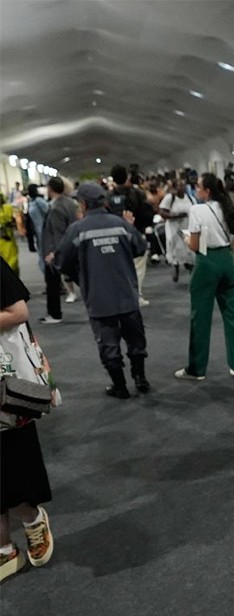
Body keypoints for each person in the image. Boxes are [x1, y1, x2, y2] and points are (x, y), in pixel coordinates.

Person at [56, 183, 150, 398]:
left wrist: (82, 275)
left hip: (98, 298)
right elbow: (140, 248)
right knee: (136, 340)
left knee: (108, 345)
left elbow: (62, 262)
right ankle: (140, 378)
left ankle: (120, 386)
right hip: (126, 293)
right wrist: (130, 227)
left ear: (83, 204)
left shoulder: (77, 230)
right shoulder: (120, 225)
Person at [0, 259, 55, 582]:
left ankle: (32, 519)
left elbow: (18, 312)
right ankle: (5, 549)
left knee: (13, 459)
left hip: (5, 390)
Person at [174, 173, 234, 381]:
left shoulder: (197, 209)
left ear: (206, 191)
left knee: (201, 316)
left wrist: (186, 237)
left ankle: (197, 369)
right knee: (233, 314)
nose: (196, 189)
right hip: (227, 259)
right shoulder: (226, 207)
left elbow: (195, 245)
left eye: (198, 187)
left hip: (206, 262)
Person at [108, 165, 154, 307]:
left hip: (114, 234)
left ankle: (120, 295)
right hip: (136, 232)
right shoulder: (136, 193)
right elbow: (148, 207)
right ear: (126, 177)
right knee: (138, 266)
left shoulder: (108, 196)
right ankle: (137, 295)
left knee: (119, 266)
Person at [39, 178, 77, 325]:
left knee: (52, 284)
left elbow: (57, 233)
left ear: (50, 189)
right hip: (71, 248)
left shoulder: (56, 208)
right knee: (80, 279)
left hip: (56, 252)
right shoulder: (69, 203)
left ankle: (54, 314)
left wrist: (53, 253)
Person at [158, 179, 196, 283]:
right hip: (173, 228)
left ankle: (192, 272)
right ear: (175, 187)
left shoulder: (190, 199)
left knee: (189, 250)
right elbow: (162, 212)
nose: (181, 188)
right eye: (179, 186)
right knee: (175, 249)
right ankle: (176, 269)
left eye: (183, 186)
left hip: (187, 227)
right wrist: (176, 216)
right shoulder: (170, 198)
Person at [25, 184, 49, 274]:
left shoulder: (39, 201)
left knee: (44, 255)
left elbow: (48, 210)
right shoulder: (32, 202)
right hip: (37, 232)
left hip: (44, 231)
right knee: (41, 255)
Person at [0, 194, 19, 275]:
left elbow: (17, 220)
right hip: (7, 241)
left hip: (8, 242)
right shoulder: (8, 207)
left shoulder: (8, 208)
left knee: (12, 264)